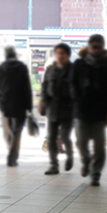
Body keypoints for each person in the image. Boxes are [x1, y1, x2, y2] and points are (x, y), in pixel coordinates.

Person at [70, 34, 107, 186]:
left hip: (100, 112)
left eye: (98, 47)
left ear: (102, 48)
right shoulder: (79, 64)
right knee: (81, 142)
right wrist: (76, 97)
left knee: (99, 146)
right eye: (93, 47)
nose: (95, 50)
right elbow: (71, 83)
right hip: (82, 110)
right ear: (88, 47)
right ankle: (86, 162)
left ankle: (95, 173)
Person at [0, 45, 33, 167]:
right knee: (17, 132)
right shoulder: (22, 68)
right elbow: (27, 90)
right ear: (15, 55)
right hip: (20, 104)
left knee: (8, 131)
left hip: (5, 105)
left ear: (6, 55)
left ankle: (11, 151)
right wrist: (29, 107)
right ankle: (12, 157)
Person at [40, 43, 74, 175]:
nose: (60, 56)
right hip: (52, 109)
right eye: (58, 53)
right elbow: (44, 87)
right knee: (52, 138)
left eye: (63, 53)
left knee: (65, 136)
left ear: (68, 55)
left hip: (67, 109)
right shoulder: (50, 70)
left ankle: (70, 156)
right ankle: (54, 165)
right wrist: (44, 101)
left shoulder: (73, 70)